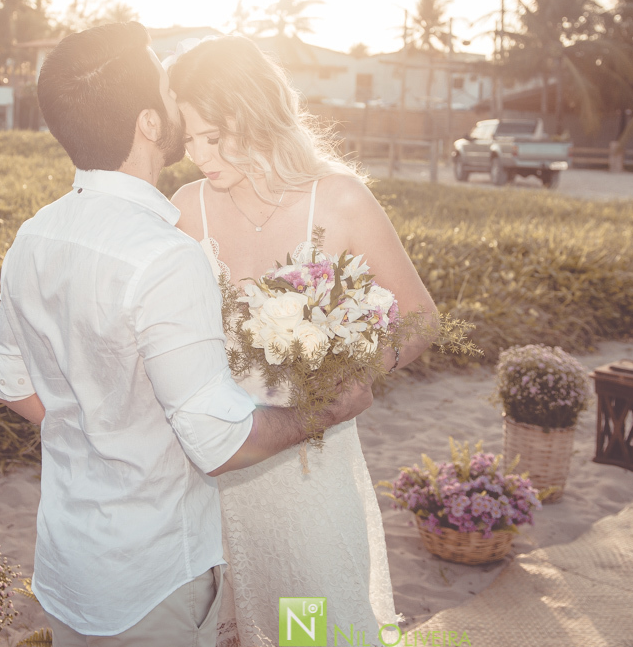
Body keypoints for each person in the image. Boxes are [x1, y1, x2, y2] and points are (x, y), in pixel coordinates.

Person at [0, 22, 373, 647]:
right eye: (167, 90)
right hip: (153, 574)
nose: (178, 99)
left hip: (68, 562)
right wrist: (328, 410)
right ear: (149, 122)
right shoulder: (166, 255)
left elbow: (13, 388)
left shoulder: (34, 234)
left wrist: (106, 431)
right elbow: (217, 444)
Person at [168, 35, 438, 647]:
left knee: (309, 627)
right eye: (188, 140)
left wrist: (356, 374)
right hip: (215, 465)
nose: (198, 156)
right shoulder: (186, 208)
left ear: (255, 113)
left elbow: (420, 316)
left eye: (212, 137)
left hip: (311, 467)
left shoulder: (339, 199)